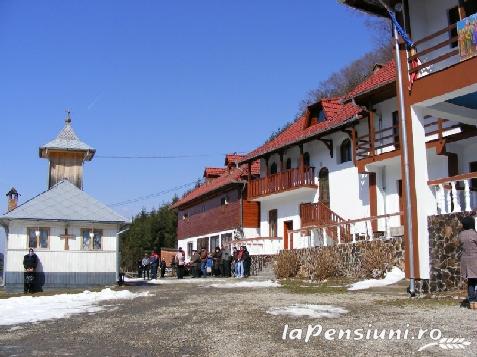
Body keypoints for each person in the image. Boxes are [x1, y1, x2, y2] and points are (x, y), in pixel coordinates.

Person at [459, 216, 477, 309]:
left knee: (471, 281)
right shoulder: (474, 234)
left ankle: (472, 301)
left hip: (465, 260)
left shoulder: (461, 234)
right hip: (475, 259)